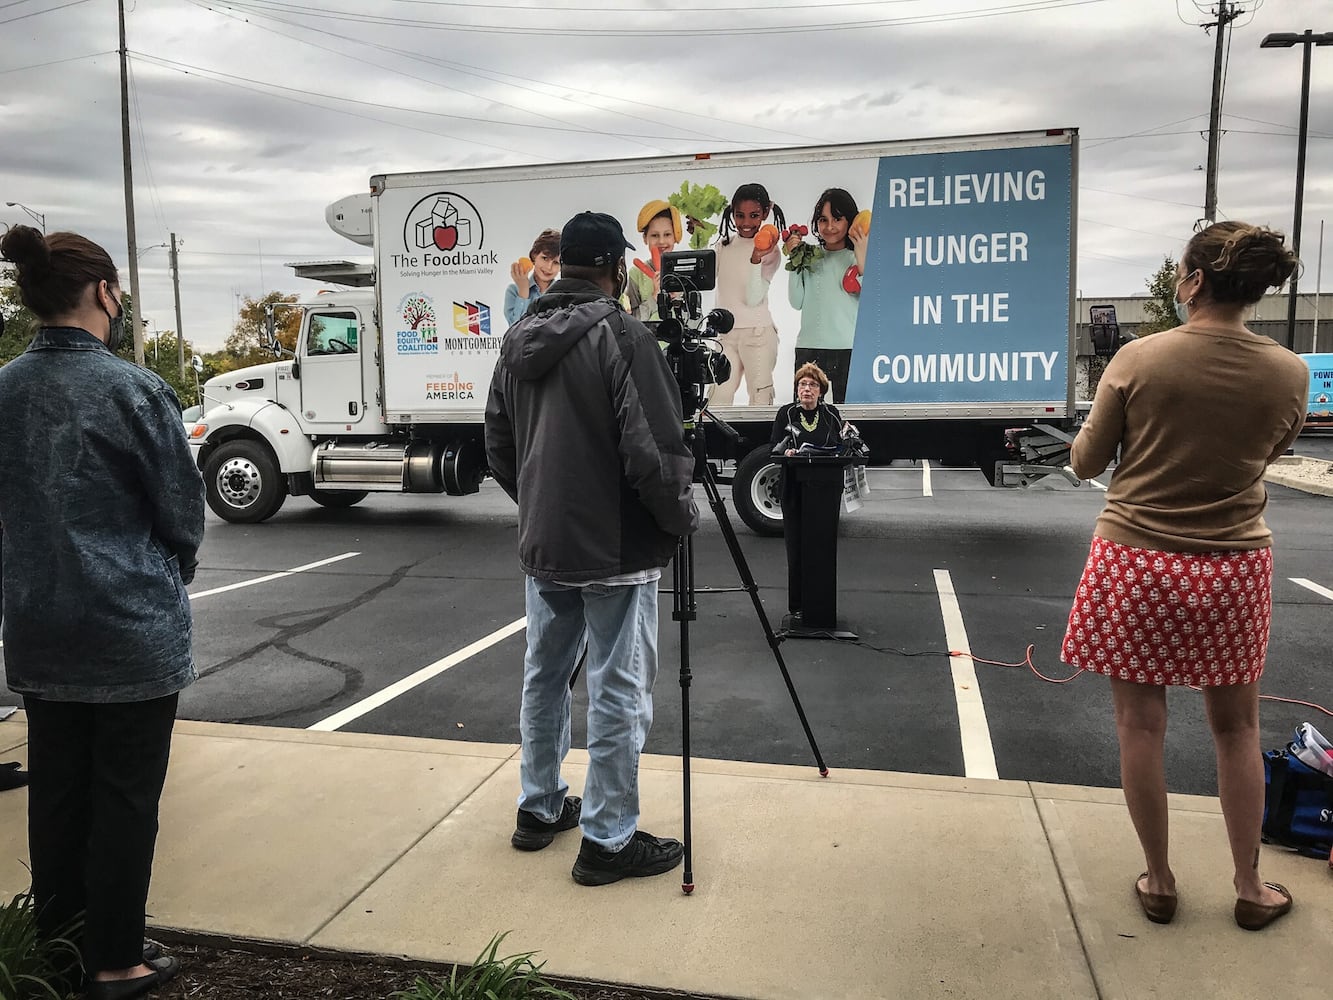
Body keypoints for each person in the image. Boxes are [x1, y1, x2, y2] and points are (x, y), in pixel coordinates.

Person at [1060, 221, 1308, 932]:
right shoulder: (1287, 372)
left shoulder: (1138, 360)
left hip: (1134, 558)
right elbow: (1270, 451)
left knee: (1139, 725)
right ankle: (1249, 885)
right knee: (1235, 730)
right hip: (1232, 565)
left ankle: (1160, 881)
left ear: (1195, 281)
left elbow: (1083, 462)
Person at [0, 226, 204, 997]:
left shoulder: (5, 388)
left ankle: (62, 947)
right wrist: (167, 572)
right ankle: (115, 958)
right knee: (124, 799)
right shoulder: (132, 389)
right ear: (105, 293)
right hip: (127, 631)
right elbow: (182, 511)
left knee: (55, 794)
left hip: (38, 625)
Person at [484, 210, 699, 886]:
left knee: (544, 677)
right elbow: (654, 452)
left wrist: (542, 507)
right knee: (618, 689)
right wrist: (677, 519)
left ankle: (538, 807)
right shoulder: (622, 335)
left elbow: (497, 446)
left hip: (546, 544)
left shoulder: (518, 339)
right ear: (609, 266)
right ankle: (608, 839)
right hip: (616, 549)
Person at [770, 362, 845, 624]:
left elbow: (842, 446)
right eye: (802, 384)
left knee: (821, 546)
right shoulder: (786, 414)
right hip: (795, 488)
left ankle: (821, 605)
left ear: (821, 390)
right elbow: (774, 448)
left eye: (812, 385)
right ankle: (798, 605)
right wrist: (786, 452)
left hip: (824, 492)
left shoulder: (831, 415)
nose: (807, 389)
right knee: (797, 547)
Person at [785, 188, 868, 403]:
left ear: (849, 220)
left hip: (847, 348)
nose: (830, 227)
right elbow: (796, 301)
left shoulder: (856, 258)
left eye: (837, 219)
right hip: (809, 348)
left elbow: (868, 297)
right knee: (806, 416)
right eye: (823, 219)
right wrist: (795, 259)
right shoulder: (809, 256)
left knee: (848, 417)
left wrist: (862, 254)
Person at [709, 182, 786, 406]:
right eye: (739, 215)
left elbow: (753, 298)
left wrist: (755, 258)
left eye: (753, 215)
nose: (746, 223)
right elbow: (707, 277)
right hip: (726, 336)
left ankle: (762, 443)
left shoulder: (771, 251)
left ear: (765, 213)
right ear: (732, 212)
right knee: (717, 399)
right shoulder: (723, 246)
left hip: (758, 335)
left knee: (760, 398)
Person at [624, 199, 682, 322]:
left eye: (667, 234)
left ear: (675, 236)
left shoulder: (685, 270)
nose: (661, 241)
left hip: (679, 341)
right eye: (655, 235)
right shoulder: (636, 274)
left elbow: (695, 323)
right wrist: (654, 297)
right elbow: (632, 321)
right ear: (645, 238)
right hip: (647, 340)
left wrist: (677, 298)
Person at [503, 228, 561, 326]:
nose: (549, 267)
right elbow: (514, 329)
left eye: (556, 262)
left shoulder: (562, 293)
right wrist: (523, 291)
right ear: (534, 256)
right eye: (545, 258)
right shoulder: (513, 291)